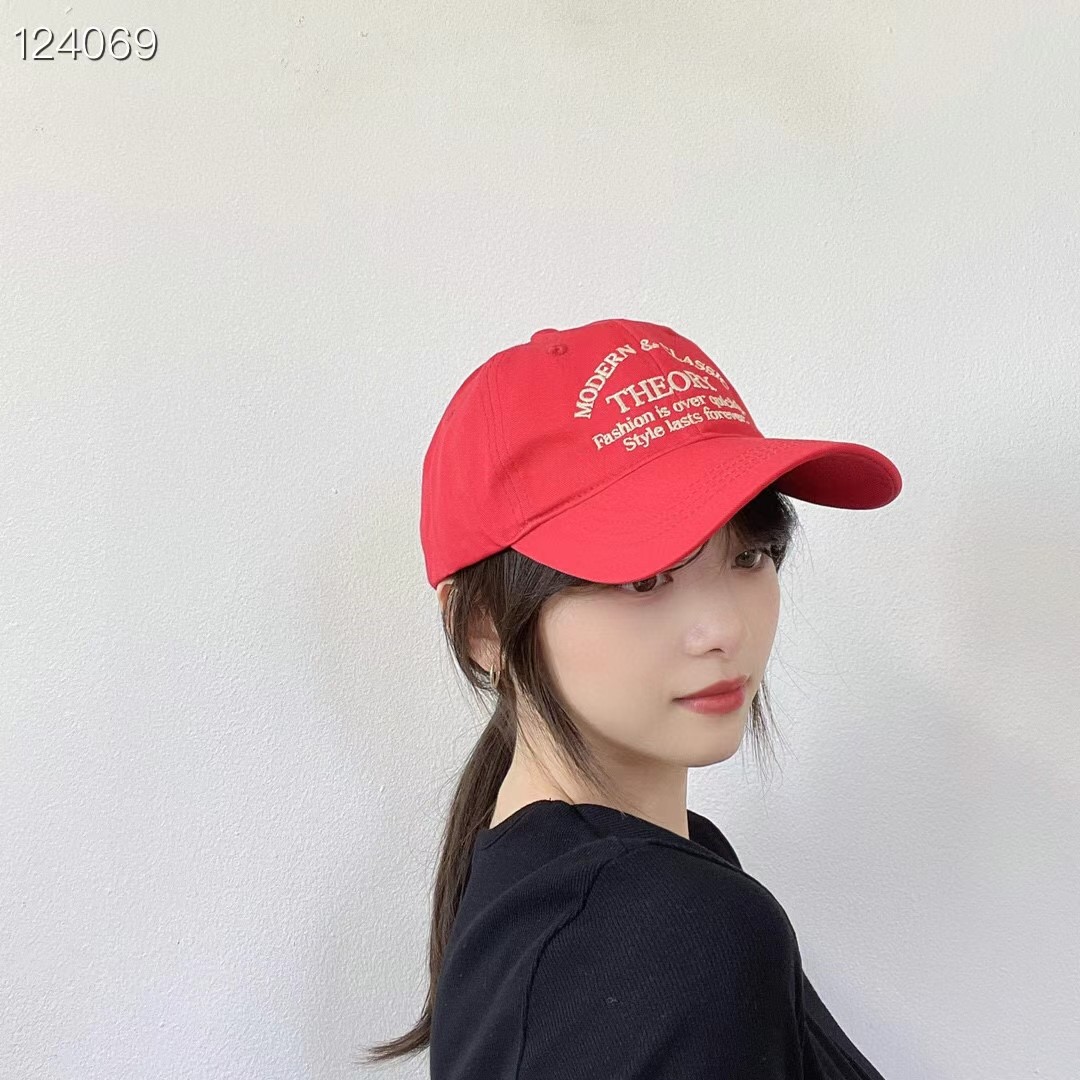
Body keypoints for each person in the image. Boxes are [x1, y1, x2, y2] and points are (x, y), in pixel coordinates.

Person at [359, 318, 901, 1077]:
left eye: (749, 555)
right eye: (644, 578)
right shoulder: (668, 931)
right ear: (483, 629)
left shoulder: (578, 892)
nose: (724, 629)